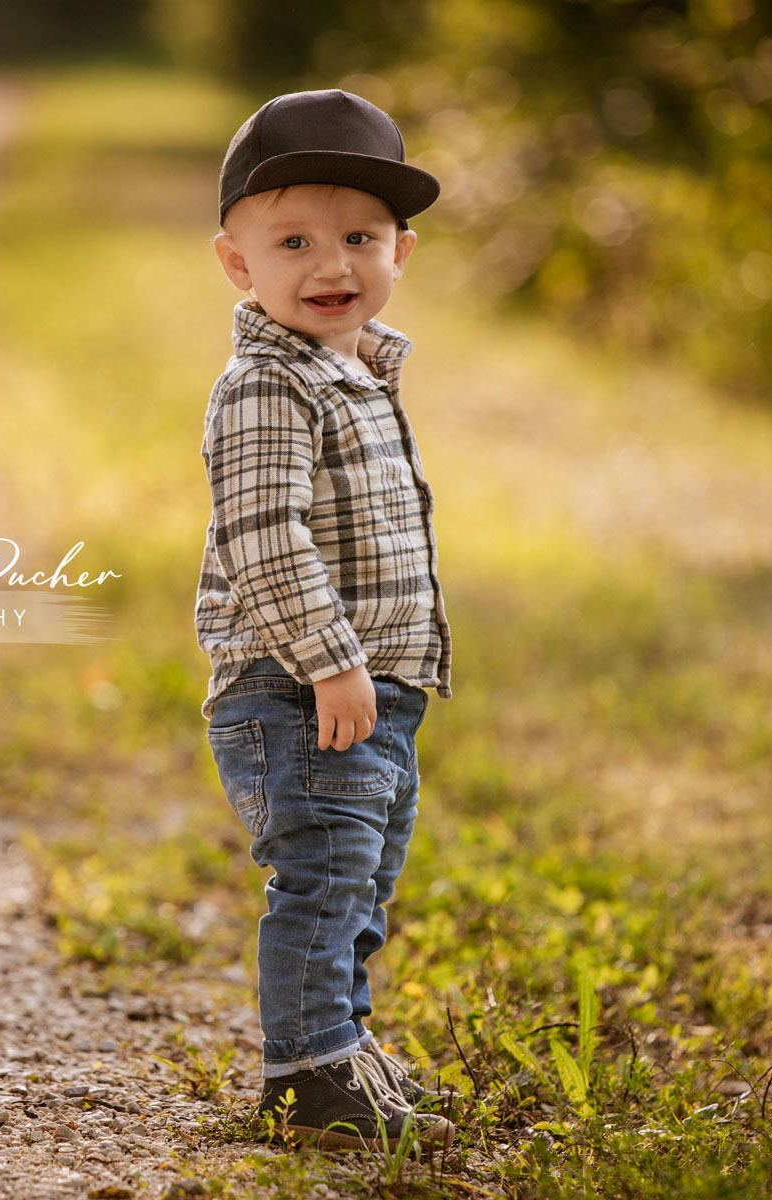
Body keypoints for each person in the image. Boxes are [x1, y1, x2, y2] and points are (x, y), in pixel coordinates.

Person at [194, 89, 457, 1154]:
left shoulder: (358, 371)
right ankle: (304, 1075)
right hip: (300, 688)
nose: (330, 264)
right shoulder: (268, 384)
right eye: (293, 241)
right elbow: (265, 538)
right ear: (237, 263)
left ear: (400, 250)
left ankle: (341, 1046)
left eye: (359, 237)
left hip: (368, 688)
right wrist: (331, 663)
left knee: (362, 882)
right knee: (323, 878)